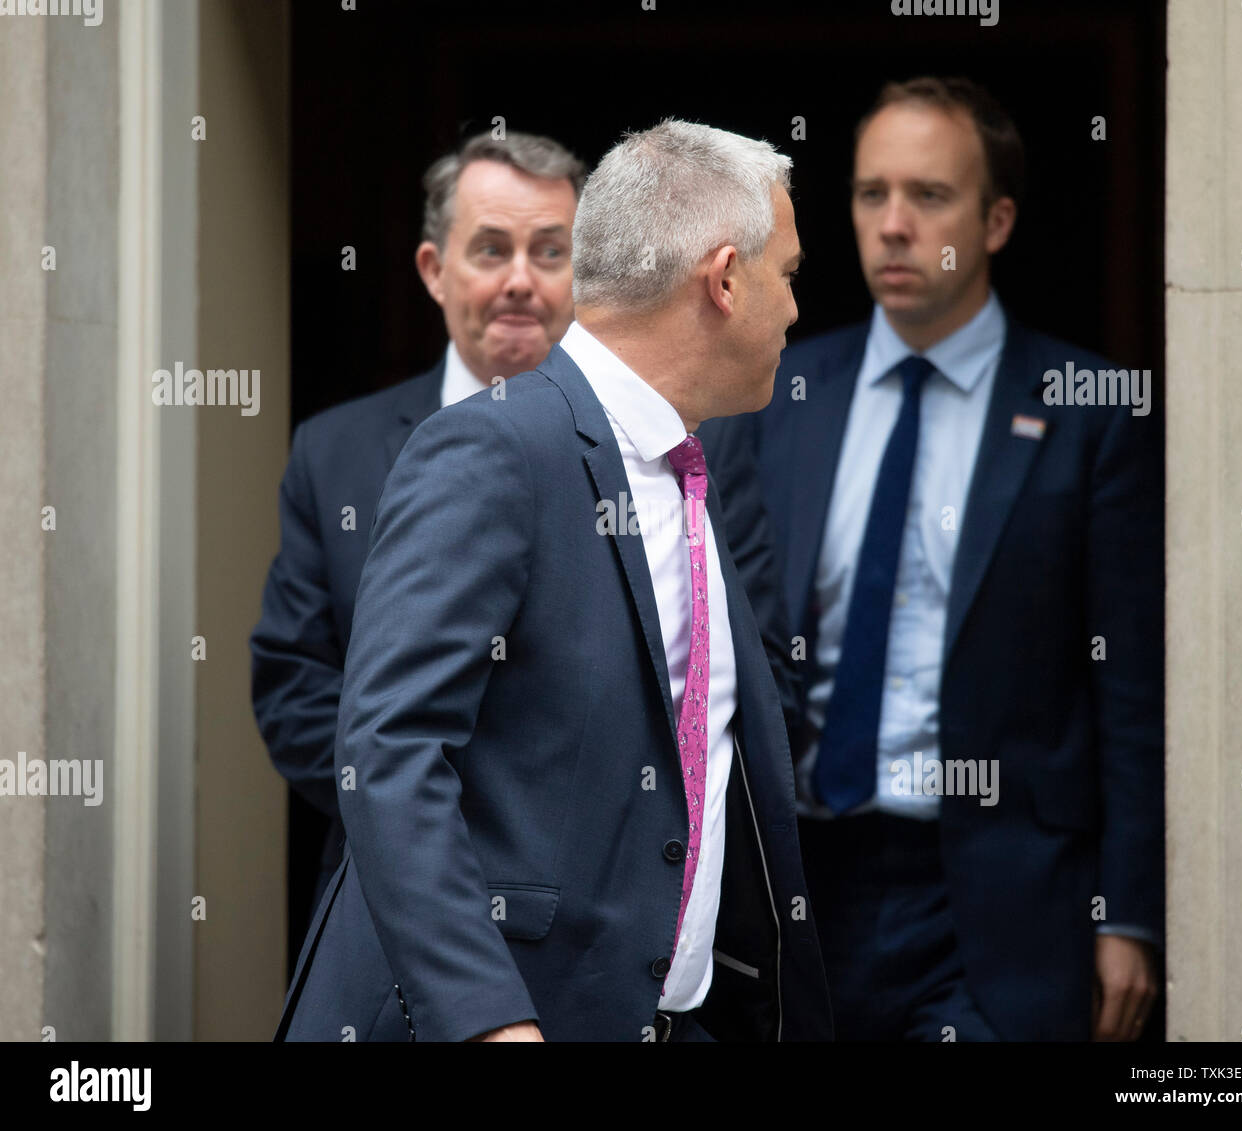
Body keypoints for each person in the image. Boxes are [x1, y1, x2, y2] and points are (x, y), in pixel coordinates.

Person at [275, 119, 832, 1042]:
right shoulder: (491, 444)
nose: (796, 311)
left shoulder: (688, 461)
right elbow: (389, 750)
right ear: (725, 279)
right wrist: (492, 1023)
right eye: (789, 275)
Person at [700, 76, 1163, 1042]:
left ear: (995, 220)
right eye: (872, 194)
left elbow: (1131, 687)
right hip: (801, 879)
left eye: (930, 196)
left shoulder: (1090, 406)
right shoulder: (775, 392)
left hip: (998, 904)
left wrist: (1128, 912)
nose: (894, 224)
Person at [250, 131, 584, 942]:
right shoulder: (333, 453)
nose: (519, 281)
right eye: (491, 249)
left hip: (595, 901)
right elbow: (294, 686)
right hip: (390, 903)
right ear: (434, 270)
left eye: (550, 252)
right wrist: (424, 805)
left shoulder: (657, 448)